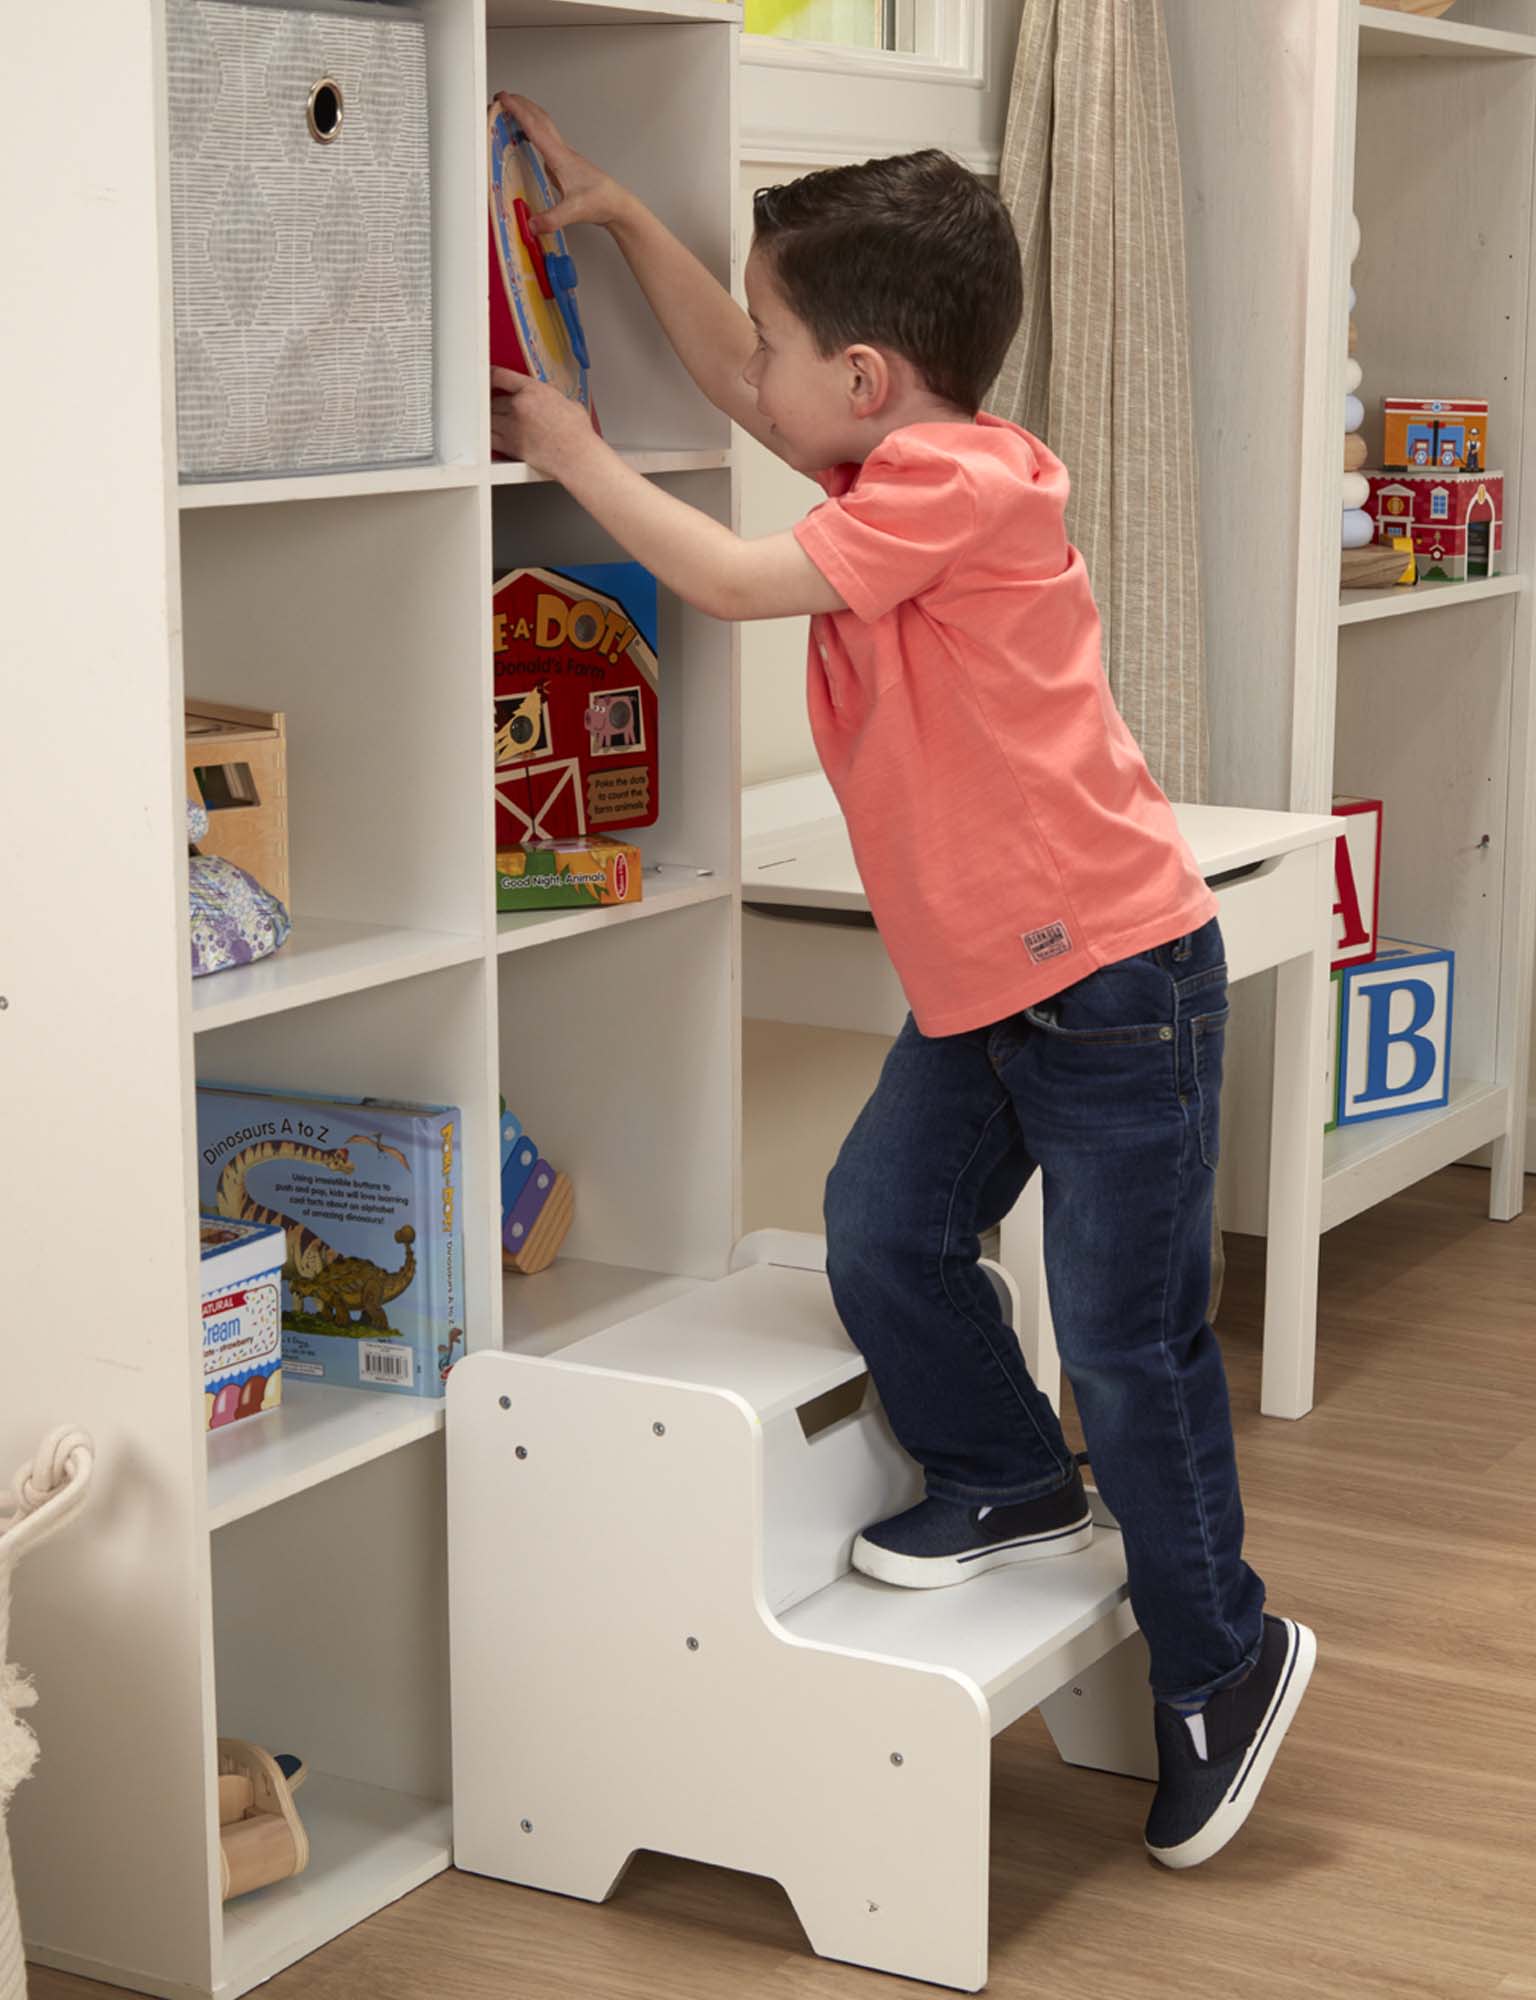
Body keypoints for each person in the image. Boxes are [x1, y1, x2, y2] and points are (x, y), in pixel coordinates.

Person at [488, 95, 1315, 1870]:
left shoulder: (958, 485)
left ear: (864, 378)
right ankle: (1008, 1475)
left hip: (1113, 983)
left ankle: (1222, 1662)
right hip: (994, 989)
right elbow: (749, 379)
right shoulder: (894, 463)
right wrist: (629, 223)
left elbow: (725, 578)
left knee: (1131, 1343)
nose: (752, 370)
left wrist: (571, 448)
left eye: (778, 342)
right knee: (886, 1233)